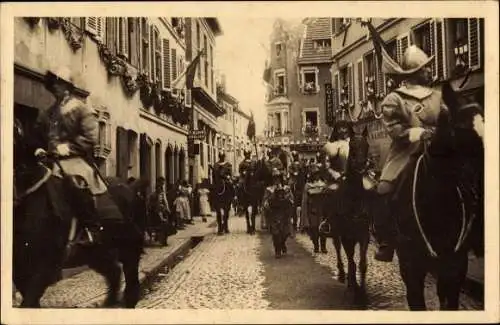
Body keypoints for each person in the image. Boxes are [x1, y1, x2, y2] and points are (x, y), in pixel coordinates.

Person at [373, 45, 448, 262]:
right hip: (406, 152)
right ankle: (386, 241)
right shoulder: (394, 99)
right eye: (425, 69)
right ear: (415, 72)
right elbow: (394, 129)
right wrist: (416, 132)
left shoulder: (438, 96)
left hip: (438, 150)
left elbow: (447, 120)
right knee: (384, 189)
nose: (429, 72)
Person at [33, 67, 124, 245]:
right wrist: (40, 148)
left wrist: (69, 147)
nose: (54, 87)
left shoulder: (81, 109)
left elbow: (91, 137)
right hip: (51, 159)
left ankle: (90, 228)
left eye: (58, 83)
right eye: (53, 84)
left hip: (74, 159)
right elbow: (41, 133)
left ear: (67, 86)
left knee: (75, 183)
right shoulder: (49, 112)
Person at [263, 168, 294, 258]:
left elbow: (292, 199)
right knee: (276, 233)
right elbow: (265, 201)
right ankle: (277, 250)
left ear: (281, 178)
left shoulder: (286, 188)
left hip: (284, 213)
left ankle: (282, 244)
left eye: (278, 178)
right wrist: (268, 201)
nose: (276, 180)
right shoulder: (269, 189)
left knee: (285, 233)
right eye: (274, 178)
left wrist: (287, 198)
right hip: (274, 214)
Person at [301, 163, 328, 253]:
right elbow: (305, 200)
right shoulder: (308, 185)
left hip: (322, 209)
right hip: (312, 210)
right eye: (315, 174)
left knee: (323, 229)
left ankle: (323, 247)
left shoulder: (323, 184)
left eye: (318, 174)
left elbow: (327, 197)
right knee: (314, 229)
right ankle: (316, 246)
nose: (317, 176)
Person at [212, 152, 233, 234]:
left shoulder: (228, 164)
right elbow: (213, 175)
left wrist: (227, 176)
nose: (221, 158)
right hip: (217, 184)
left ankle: (233, 197)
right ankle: (220, 227)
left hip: (225, 182)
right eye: (220, 156)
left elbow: (230, 174)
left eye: (222, 156)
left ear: (224, 157)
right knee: (212, 191)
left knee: (231, 186)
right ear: (219, 156)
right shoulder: (215, 165)